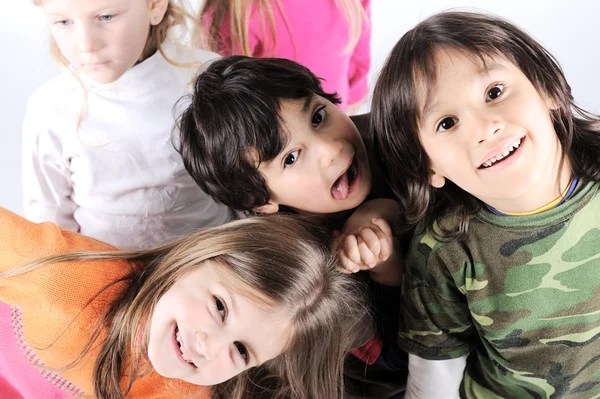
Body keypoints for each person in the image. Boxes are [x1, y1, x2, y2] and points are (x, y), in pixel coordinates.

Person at [371, 11, 600, 399]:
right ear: (429, 167)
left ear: (547, 89)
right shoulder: (444, 251)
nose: (484, 129)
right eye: (447, 122)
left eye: (494, 93)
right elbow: (433, 379)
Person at [178, 55, 407, 398]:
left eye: (318, 116)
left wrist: (388, 212)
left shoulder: (395, 132)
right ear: (262, 201)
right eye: (291, 158)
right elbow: (392, 368)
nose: (331, 149)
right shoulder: (298, 268)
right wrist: (388, 269)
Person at [0, 207, 372, 399]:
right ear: (194, 259)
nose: (210, 347)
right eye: (220, 308)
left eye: (242, 351)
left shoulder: (193, 391)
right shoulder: (63, 281)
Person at [23, 0, 230, 250]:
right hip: (106, 273)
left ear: (155, 6)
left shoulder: (210, 77)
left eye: (107, 17)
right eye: (64, 22)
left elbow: (251, 181)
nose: (86, 45)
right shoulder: (50, 107)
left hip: (210, 259)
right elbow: (49, 225)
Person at [196, 0, 371, 113]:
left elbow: (358, 61)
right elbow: (227, 105)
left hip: (336, 126)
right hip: (283, 152)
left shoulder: (346, 4)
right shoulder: (240, 13)